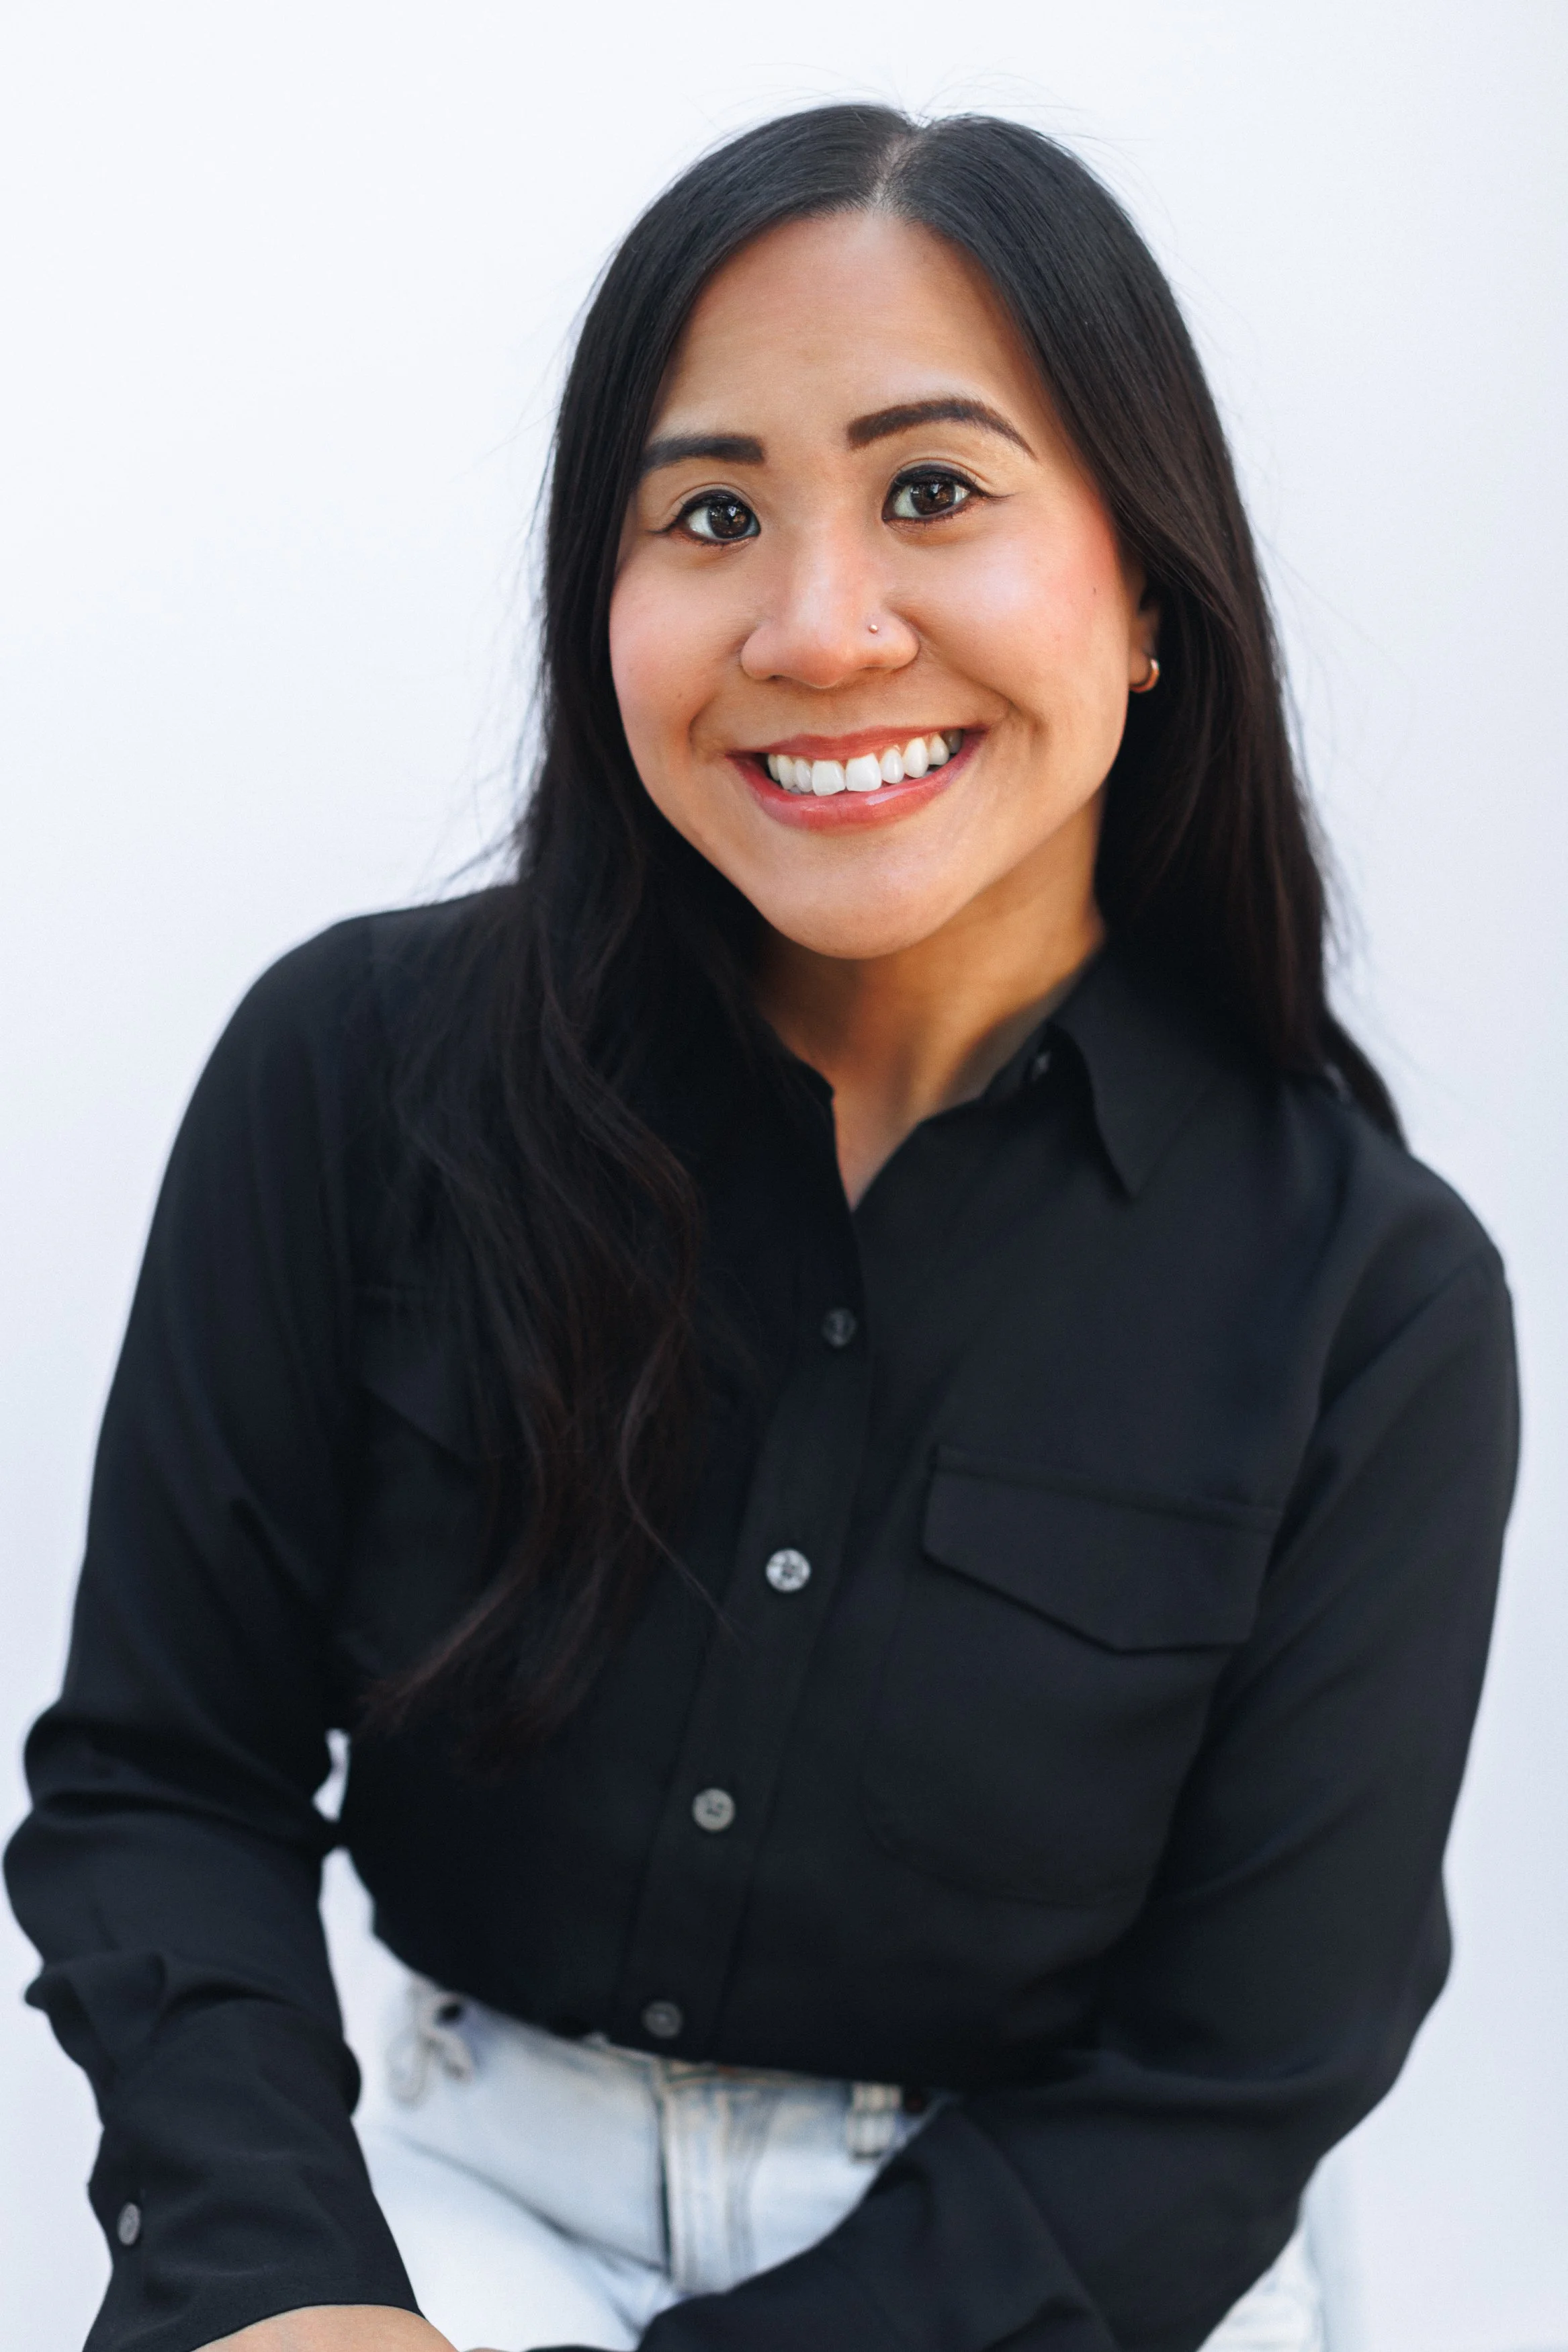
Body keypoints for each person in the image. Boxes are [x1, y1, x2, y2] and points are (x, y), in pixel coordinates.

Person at [6, 103, 1518, 2352]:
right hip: (443, 2200)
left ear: (1148, 592)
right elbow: (161, 1775)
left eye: (934, 491)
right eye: (708, 513)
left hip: (1029, 2280)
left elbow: (1234, 2075)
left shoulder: (1366, 1299)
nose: (817, 629)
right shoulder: (352, 1075)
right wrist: (282, 2289)